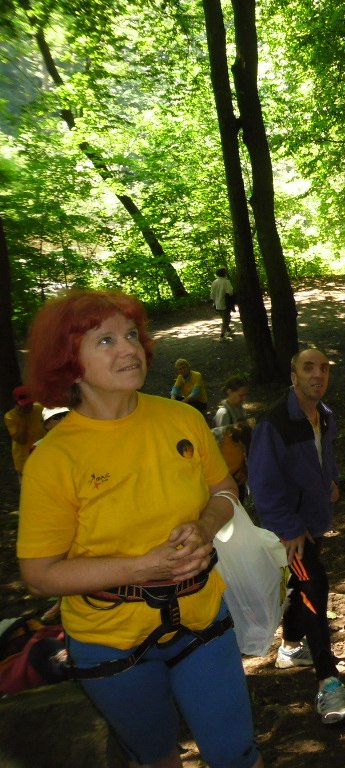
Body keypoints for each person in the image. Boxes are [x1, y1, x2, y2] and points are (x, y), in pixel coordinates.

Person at [16, 289, 262, 768]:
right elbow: (40, 574)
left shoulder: (182, 419)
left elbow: (226, 489)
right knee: (153, 758)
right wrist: (143, 566)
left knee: (236, 754)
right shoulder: (54, 459)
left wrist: (207, 524)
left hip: (201, 621)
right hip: (110, 643)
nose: (128, 348)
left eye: (131, 335)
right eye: (105, 341)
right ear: (71, 363)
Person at [247, 347, 345, 725]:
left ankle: (291, 647)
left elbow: (328, 455)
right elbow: (261, 484)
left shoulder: (323, 416)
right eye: (309, 368)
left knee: (299, 586)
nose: (318, 374)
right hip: (291, 532)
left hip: (314, 522)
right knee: (314, 589)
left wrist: (333, 480)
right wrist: (288, 529)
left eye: (324, 368)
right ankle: (328, 680)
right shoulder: (273, 423)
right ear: (293, 375)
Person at [212, 376, 252, 503]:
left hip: (239, 467)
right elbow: (219, 446)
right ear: (230, 392)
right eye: (241, 395)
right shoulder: (223, 414)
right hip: (228, 471)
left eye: (245, 395)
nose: (244, 398)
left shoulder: (240, 410)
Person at [4, 385, 45, 484]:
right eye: (25, 404)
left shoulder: (40, 409)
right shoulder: (10, 417)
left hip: (42, 456)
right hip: (24, 459)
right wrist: (23, 418)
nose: (29, 406)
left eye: (30, 403)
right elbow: (21, 440)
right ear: (17, 404)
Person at [210, 267, 235, 342]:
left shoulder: (215, 282)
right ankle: (222, 336)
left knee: (224, 318)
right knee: (226, 320)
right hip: (225, 304)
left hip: (217, 304)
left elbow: (212, 294)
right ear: (224, 274)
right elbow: (230, 292)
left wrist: (214, 303)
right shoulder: (226, 282)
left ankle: (229, 330)